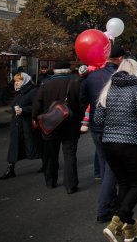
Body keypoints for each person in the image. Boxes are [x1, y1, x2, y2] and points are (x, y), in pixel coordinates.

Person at [95, 59, 137, 242]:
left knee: (124, 184)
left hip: (109, 144)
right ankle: (117, 222)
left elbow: (98, 120)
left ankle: (130, 228)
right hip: (130, 143)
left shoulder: (107, 90)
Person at [80, 44, 125, 224]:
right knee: (112, 167)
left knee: (106, 162)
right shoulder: (120, 77)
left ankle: (112, 201)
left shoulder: (91, 77)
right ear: (120, 59)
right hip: (113, 127)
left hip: (95, 127)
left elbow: (82, 100)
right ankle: (104, 208)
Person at [32, 61, 83, 193]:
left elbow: (37, 104)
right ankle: (70, 185)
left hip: (50, 124)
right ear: (68, 70)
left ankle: (50, 181)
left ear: (54, 70)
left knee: (50, 155)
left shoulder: (45, 84)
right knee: (70, 155)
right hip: (71, 125)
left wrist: (35, 118)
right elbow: (82, 103)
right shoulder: (76, 83)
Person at [0, 72, 41, 179]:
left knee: (35, 145)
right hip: (17, 125)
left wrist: (24, 110)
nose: (16, 83)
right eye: (15, 81)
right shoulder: (19, 92)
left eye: (19, 80)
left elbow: (38, 107)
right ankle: (10, 169)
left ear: (25, 80)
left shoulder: (33, 91)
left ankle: (46, 163)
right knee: (14, 147)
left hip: (28, 126)